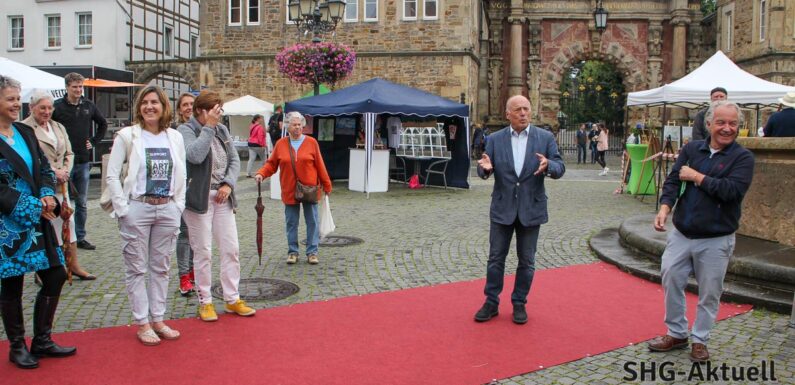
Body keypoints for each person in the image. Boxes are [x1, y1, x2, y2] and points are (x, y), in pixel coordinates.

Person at [649, 100, 754, 362]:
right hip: (682, 233)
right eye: (721, 122)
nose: (727, 128)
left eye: (732, 123)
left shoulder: (743, 158)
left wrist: (697, 177)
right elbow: (674, 179)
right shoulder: (692, 149)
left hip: (716, 239)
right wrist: (664, 208)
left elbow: (732, 191)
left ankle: (700, 339)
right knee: (670, 277)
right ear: (709, 124)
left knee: (709, 292)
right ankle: (676, 332)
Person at [0, 75, 76, 369]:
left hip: (38, 218)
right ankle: (17, 346)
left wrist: (47, 196)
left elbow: (44, 167)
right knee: (11, 285)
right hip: (8, 224)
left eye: (18, 98)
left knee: (55, 274)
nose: (16, 104)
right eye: (10, 99)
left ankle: (42, 339)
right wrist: (31, 205)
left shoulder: (23, 131)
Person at [473, 95, 565, 325]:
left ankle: (519, 302)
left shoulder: (544, 138)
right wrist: (484, 170)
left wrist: (549, 167)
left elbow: (559, 166)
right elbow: (486, 167)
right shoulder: (494, 139)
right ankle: (491, 301)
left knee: (527, 260)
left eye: (526, 109)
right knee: (495, 258)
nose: (523, 113)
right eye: (518, 110)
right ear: (508, 114)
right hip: (502, 206)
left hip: (531, 207)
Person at [105, 85, 186, 346]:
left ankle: (159, 318)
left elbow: (181, 173)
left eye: (155, 102)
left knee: (161, 267)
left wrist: (178, 205)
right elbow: (112, 174)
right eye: (144, 102)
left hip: (167, 208)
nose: (149, 107)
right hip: (137, 208)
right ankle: (142, 322)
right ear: (139, 107)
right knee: (136, 267)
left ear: (164, 107)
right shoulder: (128, 136)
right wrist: (123, 209)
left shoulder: (174, 137)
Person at [178, 90, 256, 322]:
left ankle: (232, 298)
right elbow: (194, 156)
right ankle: (206, 301)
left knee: (231, 249)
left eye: (220, 110)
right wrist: (208, 127)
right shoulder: (185, 131)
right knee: (202, 251)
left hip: (223, 197)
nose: (219, 114)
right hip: (198, 199)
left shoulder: (222, 130)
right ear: (202, 111)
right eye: (216, 110)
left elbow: (233, 160)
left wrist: (229, 184)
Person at [22, 91, 96, 281]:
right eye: (42, 108)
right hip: (41, 185)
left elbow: (69, 153)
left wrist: (65, 170)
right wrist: (54, 171)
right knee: (47, 225)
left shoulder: (58, 127)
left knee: (67, 222)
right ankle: (44, 269)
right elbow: (29, 159)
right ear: (32, 108)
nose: (47, 112)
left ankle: (73, 265)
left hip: (62, 184)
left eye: (49, 108)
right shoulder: (24, 128)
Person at [255, 111, 332, 265]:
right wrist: (261, 174)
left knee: (312, 222)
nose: (297, 128)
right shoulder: (281, 144)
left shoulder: (311, 143)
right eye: (294, 125)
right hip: (290, 189)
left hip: (309, 189)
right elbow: (271, 164)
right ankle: (293, 252)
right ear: (287, 126)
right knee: (291, 222)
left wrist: (326, 184)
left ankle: (312, 252)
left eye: (299, 125)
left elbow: (320, 165)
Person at [51, 72, 107, 251]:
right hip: (63, 162)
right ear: (67, 87)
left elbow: (103, 124)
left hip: (82, 160)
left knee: (81, 201)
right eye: (74, 87)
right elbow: (48, 127)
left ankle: (80, 236)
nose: (78, 90)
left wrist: (94, 141)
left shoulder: (88, 105)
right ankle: (62, 236)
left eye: (80, 86)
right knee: (62, 200)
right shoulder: (57, 107)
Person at [173, 92, 196, 296]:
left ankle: (194, 271)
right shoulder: (176, 131)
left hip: (199, 186)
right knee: (184, 233)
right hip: (182, 187)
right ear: (180, 109)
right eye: (185, 104)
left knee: (196, 234)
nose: (189, 107)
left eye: (192, 104)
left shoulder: (201, 129)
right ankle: (184, 276)